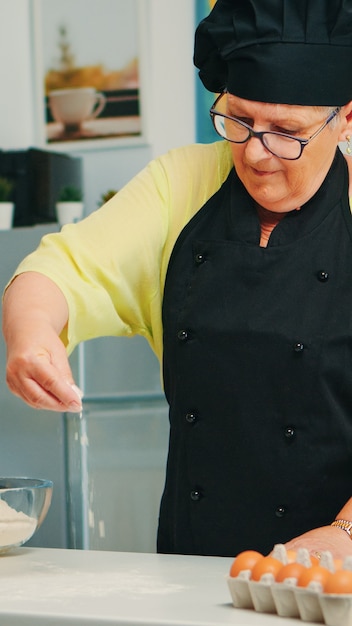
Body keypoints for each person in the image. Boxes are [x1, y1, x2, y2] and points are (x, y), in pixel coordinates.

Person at [3, 0, 352, 560]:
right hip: (193, 571)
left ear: (346, 119)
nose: (257, 153)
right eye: (238, 120)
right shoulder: (183, 183)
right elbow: (58, 269)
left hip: (336, 582)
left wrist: (346, 537)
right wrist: (33, 335)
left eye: (286, 132)